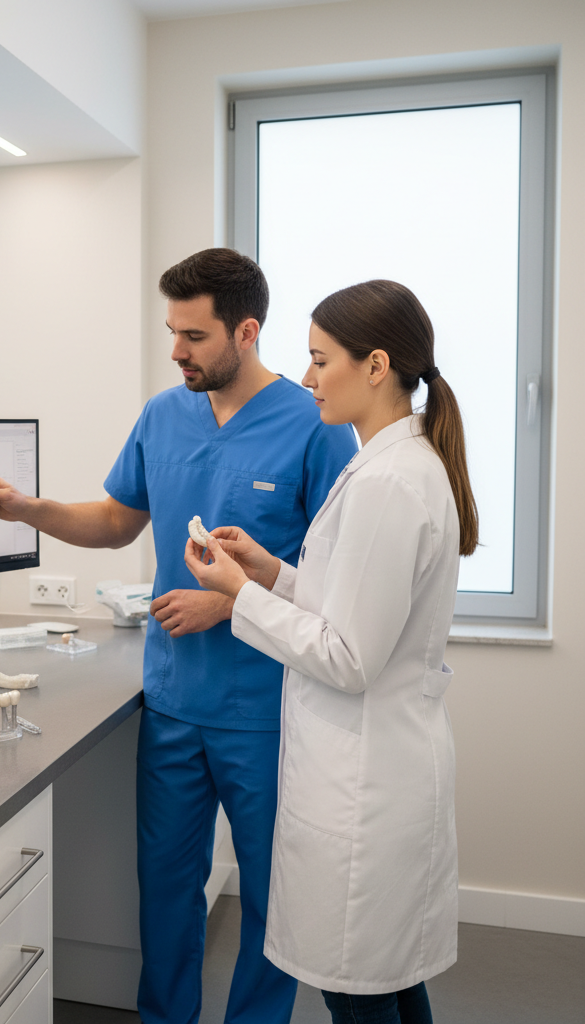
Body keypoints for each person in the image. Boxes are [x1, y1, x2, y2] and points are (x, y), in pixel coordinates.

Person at [0, 249, 357, 1022]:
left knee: (275, 896)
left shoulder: (315, 425)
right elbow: (115, 522)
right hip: (173, 700)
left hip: (267, 707)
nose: (176, 350)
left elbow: (332, 576)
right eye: (171, 332)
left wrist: (231, 602)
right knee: (166, 891)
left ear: (246, 331)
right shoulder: (161, 415)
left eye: (195, 336)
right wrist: (25, 508)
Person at [184, 279, 477, 1024]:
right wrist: (269, 571)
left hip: (365, 787)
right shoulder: (385, 464)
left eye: (320, 361)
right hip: (371, 770)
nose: (307, 379)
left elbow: (349, 656)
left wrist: (235, 597)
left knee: (360, 988)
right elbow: (347, 601)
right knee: (392, 980)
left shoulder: (390, 482)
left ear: (376, 365)